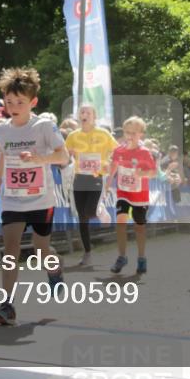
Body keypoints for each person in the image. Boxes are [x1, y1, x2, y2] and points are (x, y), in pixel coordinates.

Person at [0, 67, 68, 325]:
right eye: (9, 101)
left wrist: (40, 158)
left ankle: (55, 270)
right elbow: (4, 154)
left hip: (41, 200)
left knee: (40, 250)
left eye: (20, 102)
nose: (13, 106)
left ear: (33, 102)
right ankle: (7, 306)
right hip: (12, 199)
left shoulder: (43, 126)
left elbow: (63, 156)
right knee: (10, 250)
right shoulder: (1, 129)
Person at [64, 104, 119, 266]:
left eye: (88, 112)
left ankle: (99, 209)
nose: (84, 114)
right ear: (79, 116)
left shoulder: (103, 134)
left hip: (96, 176)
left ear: (94, 116)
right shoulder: (73, 135)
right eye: (82, 112)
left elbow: (117, 151)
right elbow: (64, 155)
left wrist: (109, 163)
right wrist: (69, 154)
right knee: (82, 218)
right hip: (79, 177)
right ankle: (87, 252)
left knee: (89, 210)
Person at [109, 116, 157, 275]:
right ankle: (122, 256)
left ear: (141, 134)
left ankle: (141, 257)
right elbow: (113, 166)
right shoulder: (119, 150)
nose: (129, 136)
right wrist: (108, 182)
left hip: (140, 194)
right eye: (127, 132)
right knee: (121, 220)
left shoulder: (144, 152)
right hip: (123, 191)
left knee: (139, 228)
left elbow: (153, 173)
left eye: (133, 133)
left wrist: (142, 173)